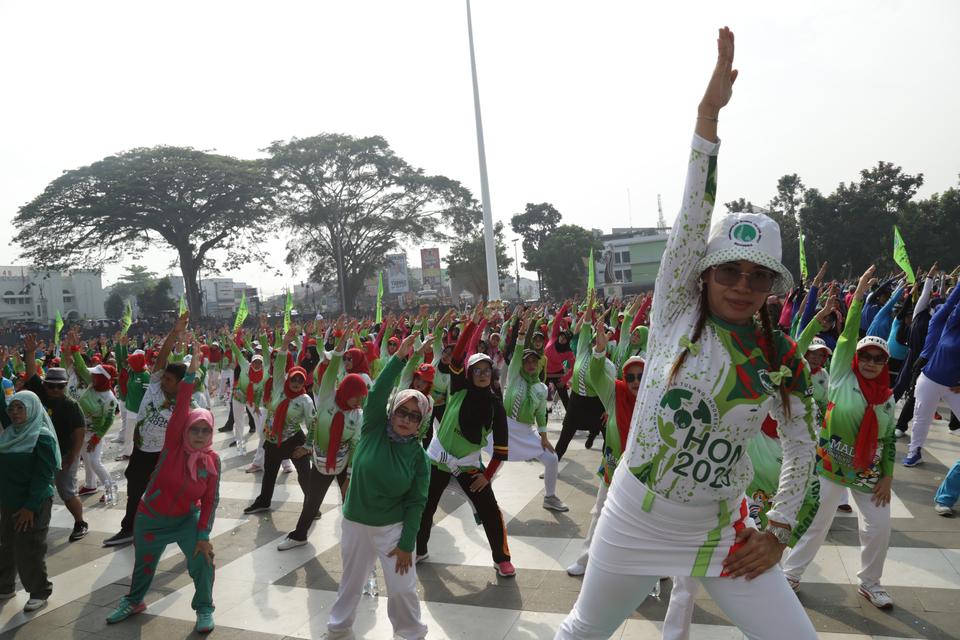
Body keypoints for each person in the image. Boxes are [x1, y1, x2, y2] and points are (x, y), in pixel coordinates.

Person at [556, 29, 819, 639]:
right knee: (583, 631)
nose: (742, 284)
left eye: (759, 276)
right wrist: (708, 118)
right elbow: (692, 215)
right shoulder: (676, 310)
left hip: (723, 530)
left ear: (772, 287)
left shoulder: (781, 357)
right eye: (729, 268)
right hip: (633, 520)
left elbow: (803, 448)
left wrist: (779, 530)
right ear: (703, 272)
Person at [782, 266, 898, 609]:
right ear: (855, 358)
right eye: (866, 356)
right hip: (831, 466)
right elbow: (847, 335)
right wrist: (859, 295)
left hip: (869, 473)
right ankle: (791, 573)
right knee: (817, 524)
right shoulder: (841, 377)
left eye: (879, 358)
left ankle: (871, 583)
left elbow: (889, 441)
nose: (872, 362)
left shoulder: (887, 398)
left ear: (885, 363)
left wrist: (888, 475)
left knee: (879, 529)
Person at [106, 339, 220, 633]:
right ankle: (133, 601)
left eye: (204, 430)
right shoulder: (172, 445)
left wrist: (203, 534)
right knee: (143, 566)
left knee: (203, 560)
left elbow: (210, 501)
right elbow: (182, 404)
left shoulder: (212, 461)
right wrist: (191, 373)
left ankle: (205, 608)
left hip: (186, 519)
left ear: (210, 433)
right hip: (151, 518)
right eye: (193, 428)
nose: (197, 433)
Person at [326, 334, 429, 640]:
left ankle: (410, 633)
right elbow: (380, 389)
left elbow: (416, 502)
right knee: (351, 581)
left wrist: (407, 543)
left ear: (421, 422)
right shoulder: (373, 428)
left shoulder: (418, 458)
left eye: (414, 416)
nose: (406, 420)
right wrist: (399, 356)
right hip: (356, 522)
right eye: (402, 412)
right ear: (392, 411)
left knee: (402, 588)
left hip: (392, 529)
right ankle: (338, 626)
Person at [416, 303, 514, 577]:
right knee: (425, 508)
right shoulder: (459, 387)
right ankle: (419, 548)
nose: (482, 375)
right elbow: (457, 355)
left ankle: (502, 558)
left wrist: (488, 475)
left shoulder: (496, 405)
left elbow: (501, 450)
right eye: (477, 370)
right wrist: (473, 323)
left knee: (491, 513)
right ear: (469, 374)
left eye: (487, 371)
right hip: (437, 461)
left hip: (470, 467)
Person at [104, 313, 196, 547]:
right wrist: (175, 333)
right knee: (135, 484)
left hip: (164, 454)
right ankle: (130, 528)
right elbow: (163, 356)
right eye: (163, 377)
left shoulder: (185, 405)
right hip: (142, 448)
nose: (163, 381)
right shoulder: (154, 383)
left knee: (168, 490)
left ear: (180, 384)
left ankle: (183, 526)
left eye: (169, 380)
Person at [566, 321, 644, 577]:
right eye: (630, 376)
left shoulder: (655, 397)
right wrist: (599, 352)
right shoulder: (616, 392)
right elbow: (597, 376)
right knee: (600, 513)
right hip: (613, 467)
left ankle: (653, 567)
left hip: (645, 474)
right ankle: (587, 560)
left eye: (640, 376)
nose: (634, 381)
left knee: (645, 522)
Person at [277, 330, 367, 548]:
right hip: (320, 462)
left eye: (362, 398)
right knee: (312, 501)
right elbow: (332, 370)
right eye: (358, 396)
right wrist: (338, 348)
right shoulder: (328, 398)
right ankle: (299, 535)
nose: (359, 401)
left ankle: (358, 540)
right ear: (347, 391)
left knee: (351, 502)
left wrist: (348, 475)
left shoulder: (358, 415)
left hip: (343, 463)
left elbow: (355, 444)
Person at [490, 311, 568, 512]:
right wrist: (522, 334)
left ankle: (550, 497)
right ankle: (482, 497)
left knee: (552, 458)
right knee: (495, 462)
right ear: (522, 364)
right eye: (527, 362)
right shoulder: (515, 375)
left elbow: (541, 415)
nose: (531, 365)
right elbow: (517, 353)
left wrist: (543, 437)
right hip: (504, 428)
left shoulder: (541, 388)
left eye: (534, 362)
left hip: (526, 431)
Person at [21, 337, 89, 542]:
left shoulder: (71, 405)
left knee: (67, 491)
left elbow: (79, 432)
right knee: (36, 489)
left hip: (65, 454)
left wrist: (73, 457)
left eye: (60, 387)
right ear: (46, 385)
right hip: (40, 452)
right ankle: (31, 524)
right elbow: (31, 375)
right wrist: (31, 354)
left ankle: (80, 522)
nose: (55, 390)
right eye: (51, 386)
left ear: (66, 386)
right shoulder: (40, 393)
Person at [0, 390, 60, 613]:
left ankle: (39, 591)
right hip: (9, 500)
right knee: (6, 544)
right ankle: (5, 585)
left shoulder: (41, 436)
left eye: (20, 408)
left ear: (32, 409)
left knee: (29, 547)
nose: (14, 412)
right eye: (12, 408)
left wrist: (30, 507)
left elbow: (44, 475)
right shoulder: (11, 433)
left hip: (33, 502)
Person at [243, 326, 314, 515]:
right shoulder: (279, 387)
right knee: (269, 473)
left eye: (300, 380)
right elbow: (280, 364)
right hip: (273, 439)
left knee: (305, 476)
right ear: (288, 378)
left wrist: (307, 447)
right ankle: (264, 501)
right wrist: (284, 343)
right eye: (294, 379)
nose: (297, 383)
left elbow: (312, 424)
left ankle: (312, 507)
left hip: (294, 440)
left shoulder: (305, 400)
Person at [902, 280, 960, 467]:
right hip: (930, 380)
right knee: (922, 418)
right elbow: (952, 303)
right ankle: (914, 452)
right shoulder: (948, 324)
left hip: (954, 387)